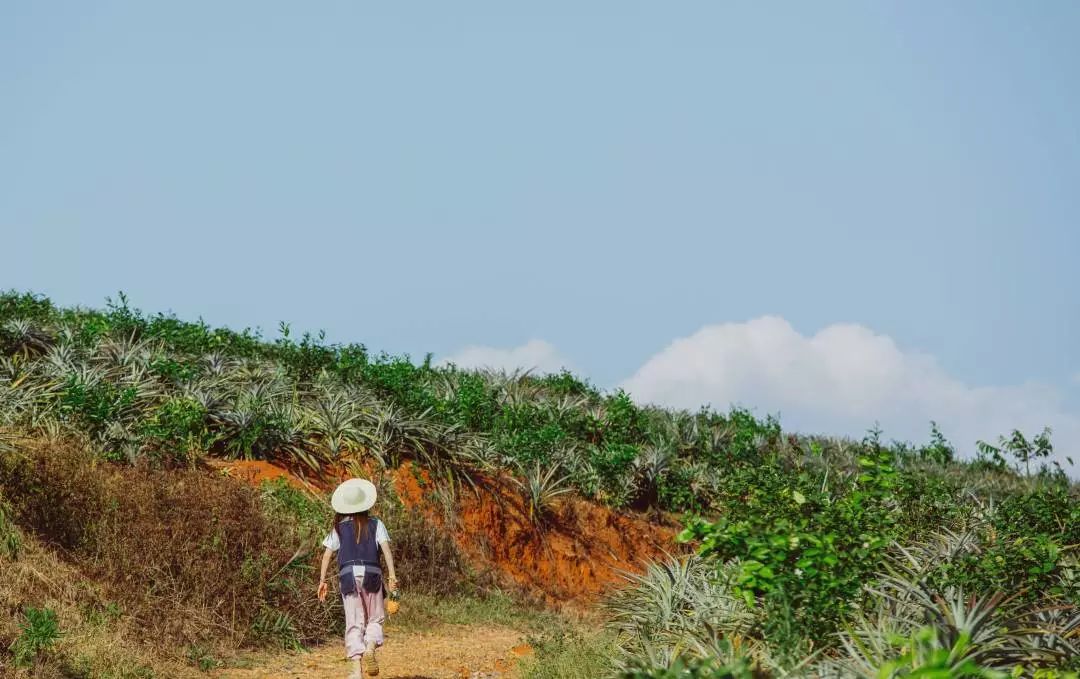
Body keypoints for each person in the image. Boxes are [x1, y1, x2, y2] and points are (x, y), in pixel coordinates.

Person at [317, 478, 398, 679]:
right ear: (366, 503)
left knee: (353, 622)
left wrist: (322, 580)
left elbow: (327, 554)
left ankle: (355, 671)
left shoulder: (339, 527)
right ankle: (370, 648)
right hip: (372, 573)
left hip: (347, 575)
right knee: (375, 617)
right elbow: (386, 550)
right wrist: (393, 576)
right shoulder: (376, 523)